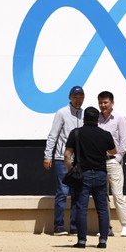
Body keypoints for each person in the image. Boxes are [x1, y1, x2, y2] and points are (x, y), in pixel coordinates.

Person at [64, 106, 116, 249]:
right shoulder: (105, 134)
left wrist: (71, 171)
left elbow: (67, 155)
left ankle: (81, 241)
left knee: (81, 208)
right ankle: (103, 240)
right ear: (97, 119)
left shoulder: (76, 133)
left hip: (83, 175)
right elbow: (113, 151)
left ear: (84, 119)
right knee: (102, 209)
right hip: (100, 174)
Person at [43, 86, 84, 236]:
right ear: (69, 97)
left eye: (80, 96)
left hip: (79, 161)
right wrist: (48, 155)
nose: (78, 99)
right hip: (62, 158)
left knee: (77, 193)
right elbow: (53, 135)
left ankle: (74, 226)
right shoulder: (62, 113)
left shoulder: (85, 114)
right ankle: (58, 226)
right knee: (62, 192)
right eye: (75, 96)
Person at [98, 91, 126, 237]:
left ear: (112, 103)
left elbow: (123, 143)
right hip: (98, 163)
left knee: (118, 195)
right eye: (100, 102)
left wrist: (116, 158)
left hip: (113, 162)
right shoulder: (96, 119)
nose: (103, 105)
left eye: (105, 102)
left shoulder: (120, 118)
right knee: (102, 196)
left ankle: (125, 225)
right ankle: (106, 227)